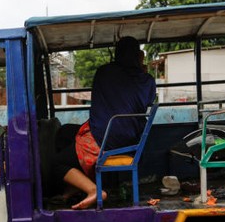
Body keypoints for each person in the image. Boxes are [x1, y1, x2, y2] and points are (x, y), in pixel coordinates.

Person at [52, 36, 157, 209]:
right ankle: (74, 186)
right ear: (138, 55)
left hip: (105, 137)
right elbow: (146, 101)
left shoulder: (105, 72)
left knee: (56, 163)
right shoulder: (147, 81)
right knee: (65, 133)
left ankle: (93, 190)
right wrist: (142, 71)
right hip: (130, 136)